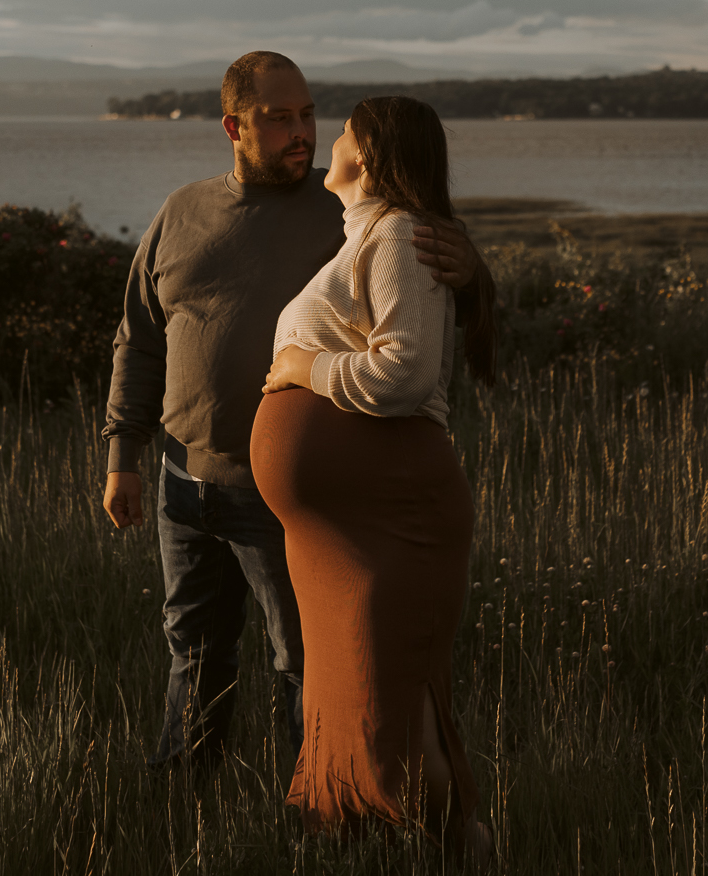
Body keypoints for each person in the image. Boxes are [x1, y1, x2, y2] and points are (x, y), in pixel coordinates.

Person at [101, 53, 484, 776]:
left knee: (306, 660)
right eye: (280, 118)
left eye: (309, 114)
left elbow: (415, 283)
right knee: (192, 650)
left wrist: (469, 268)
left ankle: (313, 802)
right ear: (234, 126)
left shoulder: (349, 210)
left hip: (281, 497)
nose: (303, 132)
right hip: (182, 482)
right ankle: (185, 794)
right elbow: (139, 336)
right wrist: (124, 453)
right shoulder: (181, 213)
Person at [251, 95, 495, 860]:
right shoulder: (364, 235)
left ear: (374, 151)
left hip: (391, 517)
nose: (331, 140)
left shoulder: (395, 233)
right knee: (354, 689)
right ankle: (374, 843)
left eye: (346, 131)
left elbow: (404, 371)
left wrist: (301, 366)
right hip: (341, 531)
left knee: (391, 688)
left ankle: (448, 847)